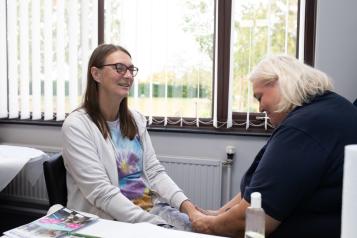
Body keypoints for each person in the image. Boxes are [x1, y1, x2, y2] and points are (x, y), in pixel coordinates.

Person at [191, 55, 357, 238]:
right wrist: (220, 214)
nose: (260, 108)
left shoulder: (302, 128)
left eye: (259, 97)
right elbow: (261, 190)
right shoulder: (331, 108)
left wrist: (207, 225)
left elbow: (250, 220)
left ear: (280, 81)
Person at [61, 43, 200, 230]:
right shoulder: (77, 126)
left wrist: (188, 208)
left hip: (151, 211)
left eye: (131, 70)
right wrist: (159, 226)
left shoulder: (135, 120)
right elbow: (102, 193)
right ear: (96, 74)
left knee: (208, 229)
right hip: (109, 222)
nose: (128, 76)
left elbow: (154, 172)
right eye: (119, 68)